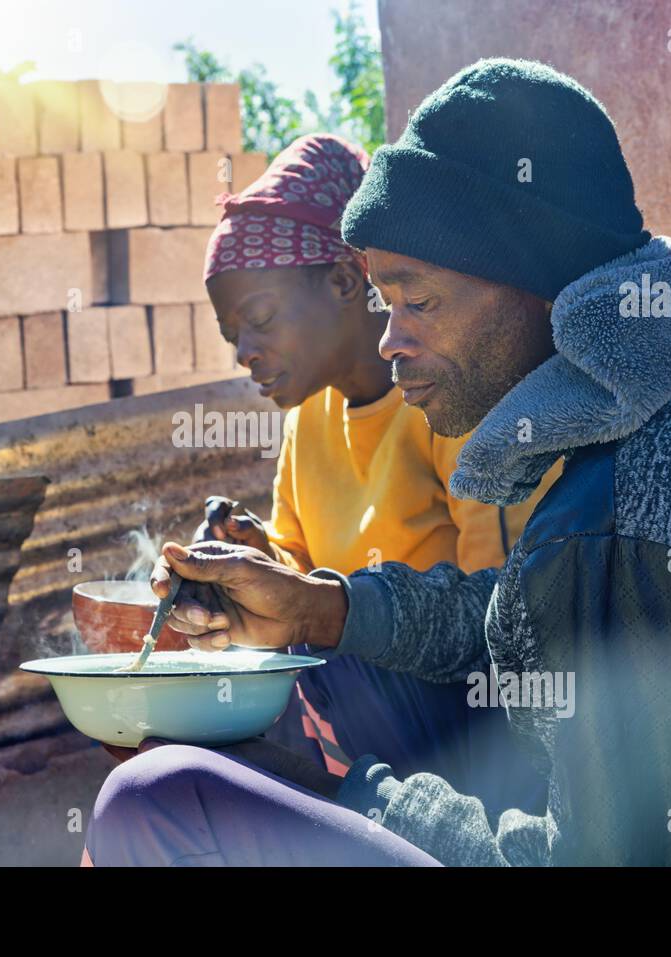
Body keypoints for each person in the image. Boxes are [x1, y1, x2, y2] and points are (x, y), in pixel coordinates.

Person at [85, 58, 671, 866]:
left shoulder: (615, 523)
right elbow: (525, 611)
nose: (390, 338)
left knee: (155, 801)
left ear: (530, 279)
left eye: (415, 299)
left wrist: (348, 786)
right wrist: (321, 608)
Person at [191, 133, 554, 815]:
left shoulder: (449, 402)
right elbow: (296, 562)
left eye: (259, 318)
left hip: (476, 749)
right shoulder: (309, 421)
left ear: (344, 280)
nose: (243, 351)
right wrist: (248, 556)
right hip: (368, 728)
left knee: (323, 645)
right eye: (230, 333)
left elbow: (504, 617)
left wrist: (330, 610)